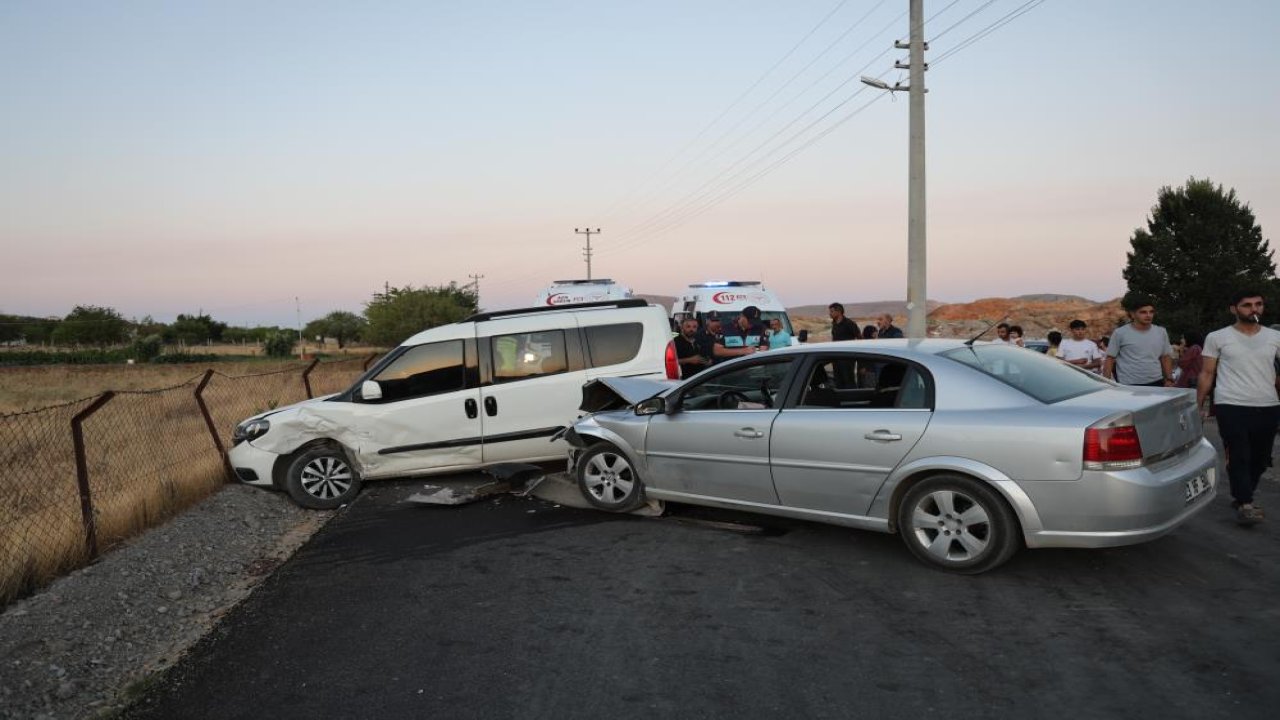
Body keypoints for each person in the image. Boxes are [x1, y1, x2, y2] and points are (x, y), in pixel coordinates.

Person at [1197, 290, 1280, 525]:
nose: (1254, 309)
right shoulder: (1217, 337)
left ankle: (1242, 494)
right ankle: (1245, 502)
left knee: (1261, 458)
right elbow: (1207, 372)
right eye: (1247, 305)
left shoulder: (1275, 337)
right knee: (1240, 454)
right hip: (1230, 404)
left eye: (1258, 304)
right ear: (1234, 309)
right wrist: (1199, 404)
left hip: (1268, 404)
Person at [1104, 295, 1174, 386]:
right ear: (1132, 314)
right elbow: (1110, 359)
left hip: (1156, 382)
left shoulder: (1161, 332)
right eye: (1143, 312)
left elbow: (1165, 357)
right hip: (1129, 384)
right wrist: (1106, 383)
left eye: (1151, 312)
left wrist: (1169, 379)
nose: (1148, 315)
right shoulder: (1120, 333)